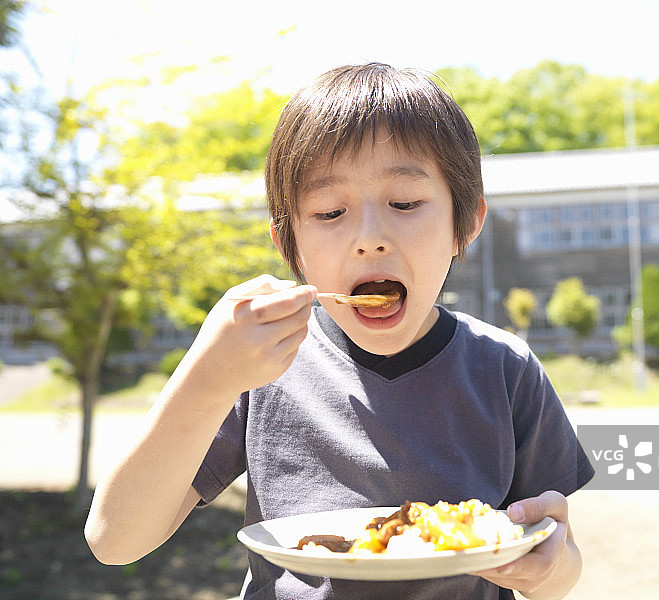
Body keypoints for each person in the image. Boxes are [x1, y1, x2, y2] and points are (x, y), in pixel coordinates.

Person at [85, 62, 594, 599]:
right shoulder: (260, 367)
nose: (369, 238)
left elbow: (559, 564)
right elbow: (114, 540)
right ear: (289, 247)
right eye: (330, 212)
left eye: (405, 204)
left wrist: (547, 568)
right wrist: (207, 378)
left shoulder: (505, 369)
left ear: (464, 223)